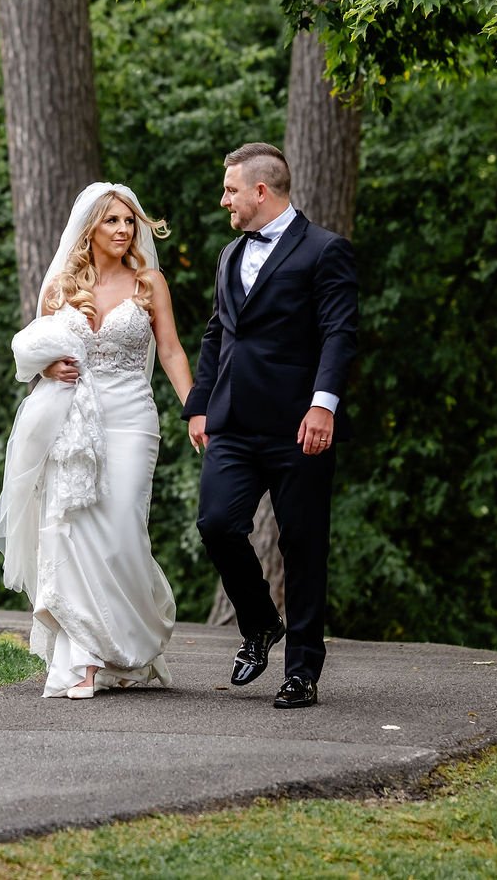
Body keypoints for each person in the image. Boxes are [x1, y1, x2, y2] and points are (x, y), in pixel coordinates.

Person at [0, 182, 194, 699]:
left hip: (131, 418)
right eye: (113, 222)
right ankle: (83, 657)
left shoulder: (149, 284)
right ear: (91, 229)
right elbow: (33, 347)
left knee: (124, 526)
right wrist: (50, 364)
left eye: (130, 221)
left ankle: (126, 645)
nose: (124, 231)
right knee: (73, 530)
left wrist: (196, 410)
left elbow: (169, 351)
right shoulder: (61, 286)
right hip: (73, 420)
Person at [184, 142, 358, 709]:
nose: (223, 199)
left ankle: (302, 671)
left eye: (231, 190)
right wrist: (200, 404)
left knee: (303, 547)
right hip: (232, 422)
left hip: (298, 426)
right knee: (215, 522)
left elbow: (339, 333)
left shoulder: (325, 251)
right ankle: (259, 623)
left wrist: (323, 405)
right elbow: (217, 333)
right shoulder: (229, 254)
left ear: (262, 191)